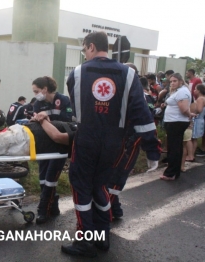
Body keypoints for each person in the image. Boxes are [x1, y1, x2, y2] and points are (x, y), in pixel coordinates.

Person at [63, 31, 159, 257]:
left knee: (81, 187)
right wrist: (152, 150)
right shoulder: (128, 74)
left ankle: (85, 240)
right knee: (101, 186)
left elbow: (78, 109)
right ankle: (103, 236)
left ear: (91, 47)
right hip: (114, 142)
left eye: (85, 49)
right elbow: (141, 114)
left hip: (87, 138)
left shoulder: (77, 73)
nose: (85, 54)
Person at [32, 76, 73, 224]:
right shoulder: (38, 104)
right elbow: (37, 125)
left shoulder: (63, 100)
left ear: (45, 89)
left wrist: (46, 120)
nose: (35, 94)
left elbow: (67, 121)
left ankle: (43, 210)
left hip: (59, 145)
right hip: (44, 146)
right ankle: (53, 206)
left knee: (50, 179)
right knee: (43, 179)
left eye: (37, 91)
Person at [160, 73, 195, 181]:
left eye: (175, 81)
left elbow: (183, 109)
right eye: (171, 81)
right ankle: (174, 171)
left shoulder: (182, 92)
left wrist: (189, 114)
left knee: (174, 148)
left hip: (176, 123)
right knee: (176, 147)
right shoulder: (180, 91)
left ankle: (171, 173)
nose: (172, 83)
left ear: (180, 81)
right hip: (175, 122)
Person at [192, 84, 205, 157]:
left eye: (195, 89)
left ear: (199, 90)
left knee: (194, 138)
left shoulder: (200, 99)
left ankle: (192, 153)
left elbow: (199, 110)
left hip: (197, 119)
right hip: (201, 119)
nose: (194, 91)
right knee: (195, 138)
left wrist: (193, 110)